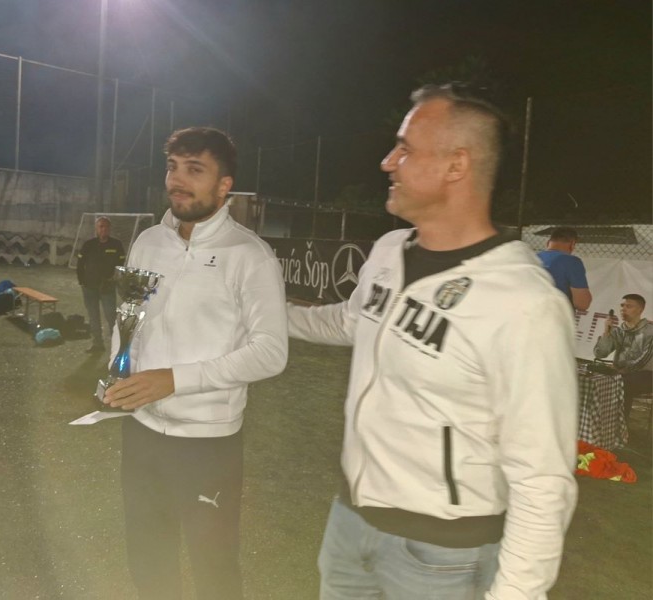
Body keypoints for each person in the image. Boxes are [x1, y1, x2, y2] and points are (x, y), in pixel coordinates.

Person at [287, 83, 578, 599]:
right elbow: (352, 322)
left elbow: (542, 478)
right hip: (350, 522)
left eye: (404, 148)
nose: (387, 162)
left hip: (443, 557)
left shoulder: (524, 302)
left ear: (456, 165)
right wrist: (268, 315)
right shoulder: (388, 249)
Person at [102, 127, 288, 600]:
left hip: (208, 444)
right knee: (147, 558)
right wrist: (118, 371)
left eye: (194, 170)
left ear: (224, 185)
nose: (177, 181)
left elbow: (271, 351)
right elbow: (130, 317)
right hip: (141, 431)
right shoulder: (148, 242)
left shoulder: (250, 256)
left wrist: (175, 380)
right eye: (172, 167)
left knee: (214, 568)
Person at [594, 293, 653, 419]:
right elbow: (600, 353)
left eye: (629, 306)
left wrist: (622, 370)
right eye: (622, 306)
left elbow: (645, 360)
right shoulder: (618, 331)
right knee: (596, 379)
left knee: (622, 383)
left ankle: (619, 425)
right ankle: (600, 421)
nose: (623, 309)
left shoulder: (650, 331)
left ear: (640, 309)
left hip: (647, 375)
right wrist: (607, 332)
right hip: (621, 373)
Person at [76, 216, 125, 352]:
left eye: (106, 226)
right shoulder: (88, 245)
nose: (104, 229)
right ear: (96, 229)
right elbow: (80, 264)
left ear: (110, 229)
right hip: (89, 287)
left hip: (107, 287)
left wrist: (114, 279)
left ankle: (117, 346)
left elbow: (121, 265)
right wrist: (82, 281)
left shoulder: (116, 245)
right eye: (101, 226)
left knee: (111, 317)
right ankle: (97, 344)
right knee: (93, 316)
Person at [537, 227, 592, 311]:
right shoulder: (572, 262)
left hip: (527, 314)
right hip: (555, 316)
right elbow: (582, 304)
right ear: (572, 244)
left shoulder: (532, 258)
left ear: (548, 242)